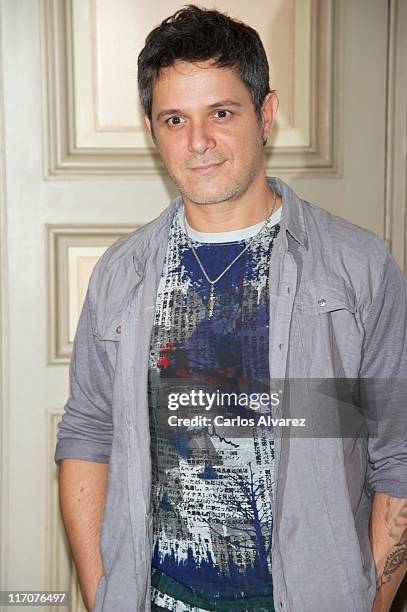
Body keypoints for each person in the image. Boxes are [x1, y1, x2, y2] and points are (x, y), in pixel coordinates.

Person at [55, 6, 407, 612]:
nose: (198, 142)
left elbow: (397, 456)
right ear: (152, 128)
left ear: (265, 114)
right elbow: (88, 436)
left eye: (221, 112)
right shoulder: (121, 273)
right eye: (174, 119)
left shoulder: (358, 268)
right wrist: (103, 593)